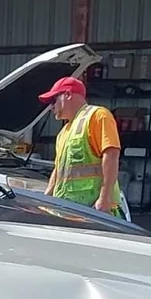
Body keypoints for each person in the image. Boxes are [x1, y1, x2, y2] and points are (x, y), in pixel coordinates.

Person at [39, 76, 124, 216]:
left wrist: (105, 198)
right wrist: (46, 200)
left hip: (94, 211)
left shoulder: (98, 116)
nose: (51, 107)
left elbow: (111, 155)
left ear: (67, 94)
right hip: (69, 210)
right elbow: (58, 170)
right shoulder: (64, 132)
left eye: (53, 100)